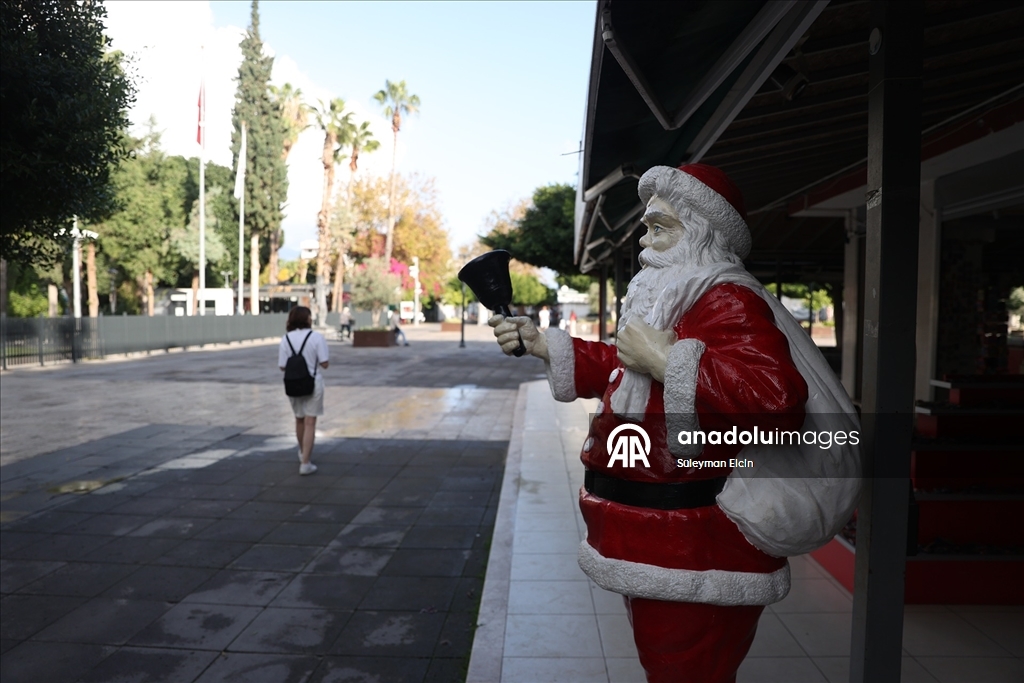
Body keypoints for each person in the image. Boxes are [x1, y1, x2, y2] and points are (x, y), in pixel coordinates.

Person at [490, 164, 859, 683]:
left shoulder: (725, 298)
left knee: (685, 668)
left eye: (660, 229)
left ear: (703, 235)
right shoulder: (675, 297)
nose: (645, 242)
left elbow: (775, 400)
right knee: (667, 662)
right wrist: (543, 345)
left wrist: (667, 360)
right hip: (653, 536)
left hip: (698, 542)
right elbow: (625, 372)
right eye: (647, 228)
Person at [278, 306, 329, 475]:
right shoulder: (316, 337)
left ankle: (302, 453)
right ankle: (306, 463)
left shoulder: (286, 339)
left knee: (299, 420)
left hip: (292, 383)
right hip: (313, 382)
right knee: (310, 422)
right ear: (307, 319)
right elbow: (325, 363)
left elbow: (282, 366)